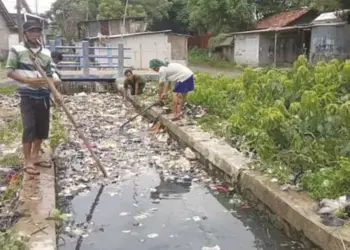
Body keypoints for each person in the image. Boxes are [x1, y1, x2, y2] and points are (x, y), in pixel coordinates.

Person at [6, 20, 61, 176]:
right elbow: (9, 71)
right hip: (27, 94)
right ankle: (27, 160)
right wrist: (28, 81)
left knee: (42, 128)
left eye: (37, 31)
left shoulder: (46, 53)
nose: (35, 34)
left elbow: (50, 74)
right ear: (25, 33)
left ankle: (36, 156)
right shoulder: (17, 50)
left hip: (43, 94)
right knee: (29, 127)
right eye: (31, 31)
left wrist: (56, 89)